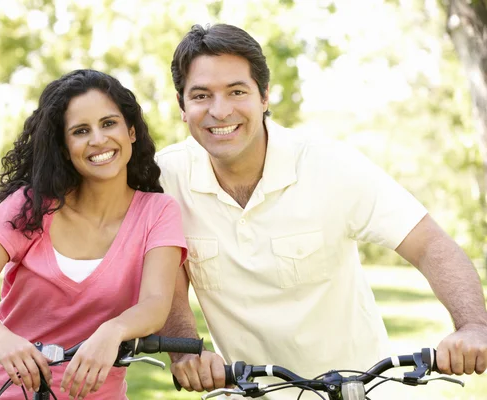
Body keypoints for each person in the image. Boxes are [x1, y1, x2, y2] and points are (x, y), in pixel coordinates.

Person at [156, 23, 487, 399]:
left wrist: (473, 325)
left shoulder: (330, 164)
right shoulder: (167, 177)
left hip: (361, 389)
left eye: (237, 91)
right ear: (182, 107)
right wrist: (185, 348)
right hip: (247, 391)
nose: (220, 110)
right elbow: (166, 274)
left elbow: (429, 243)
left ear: (264, 96)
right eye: (201, 95)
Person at [0, 69, 187, 400]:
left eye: (108, 123)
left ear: (131, 132)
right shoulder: (32, 206)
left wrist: (113, 330)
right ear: (64, 146)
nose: (98, 139)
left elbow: (156, 304)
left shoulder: (158, 212)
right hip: (1, 392)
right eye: (81, 131)